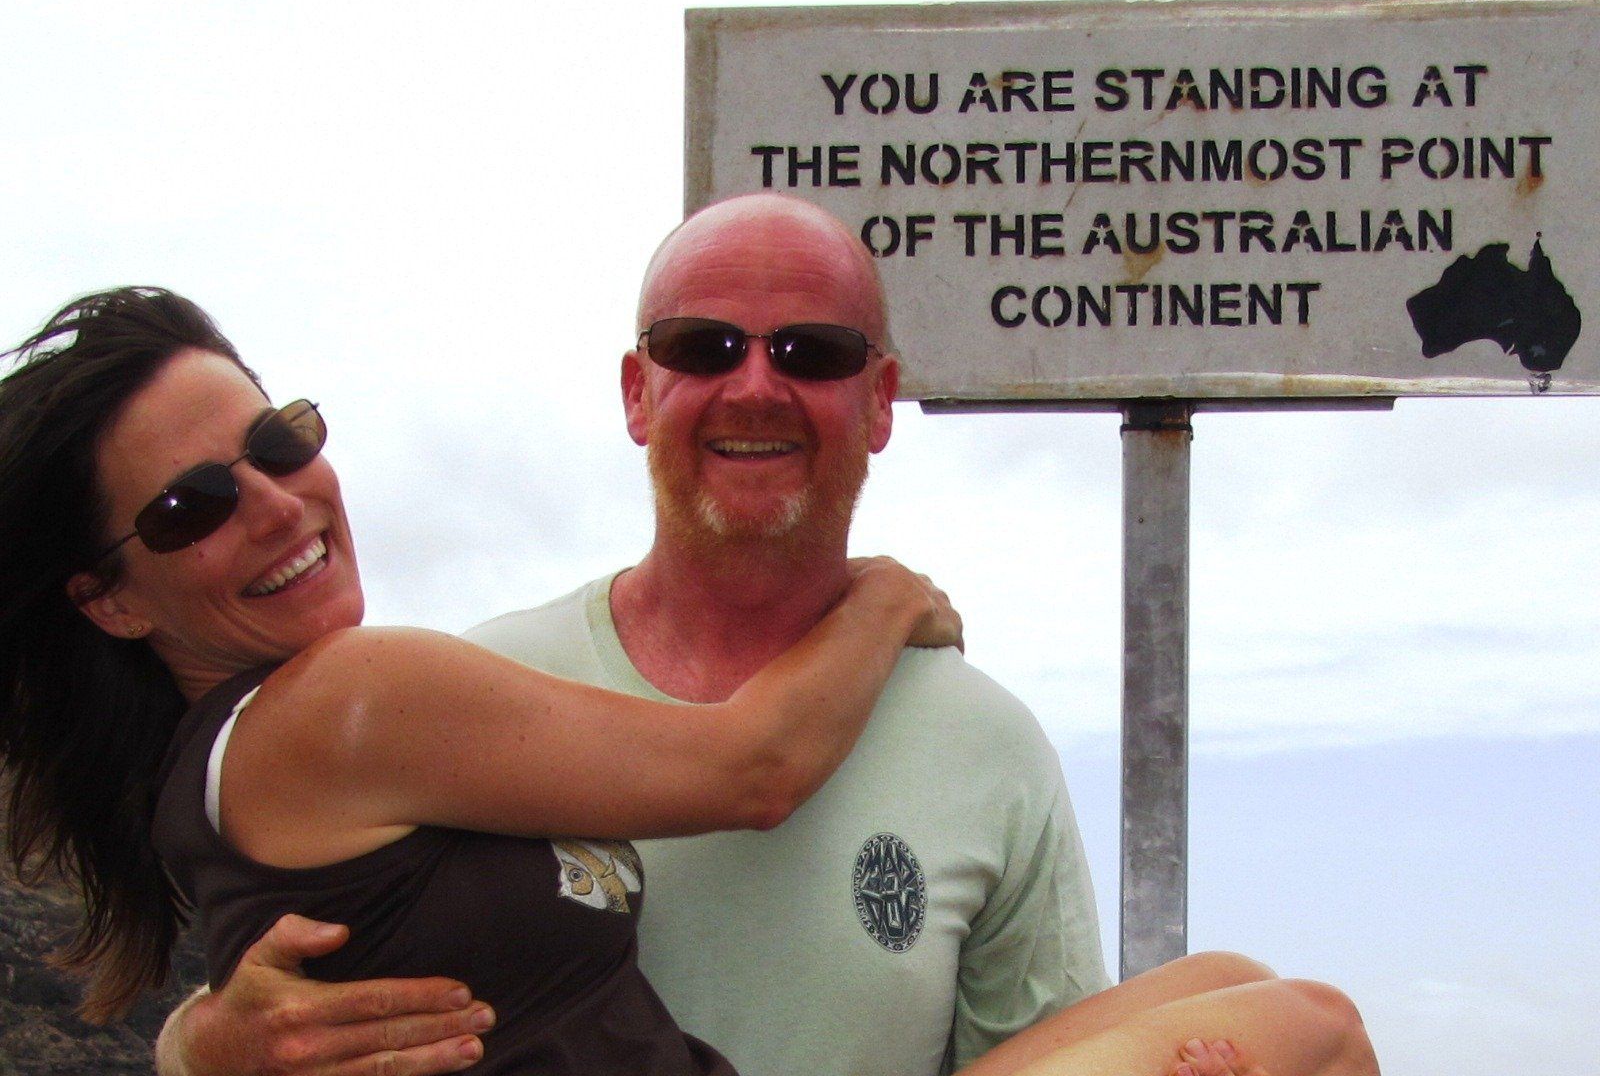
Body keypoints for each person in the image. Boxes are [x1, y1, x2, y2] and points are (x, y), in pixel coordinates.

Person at [149, 194, 1378, 1076]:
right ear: (639, 393)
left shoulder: (985, 744)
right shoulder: (480, 687)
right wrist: (201, 1042)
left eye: (811, 352)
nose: (753, 385)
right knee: (1317, 1027)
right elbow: (751, 770)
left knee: (1235, 986)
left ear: (880, 401)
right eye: (702, 348)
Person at [0, 285, 965, 1075]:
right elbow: (755, 769)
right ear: (111, 602)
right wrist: (886, 597)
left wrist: (194, 1043)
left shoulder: (222, 772)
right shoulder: (348, 697)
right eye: (189, 507)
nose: (274, 506)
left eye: (278, 443)